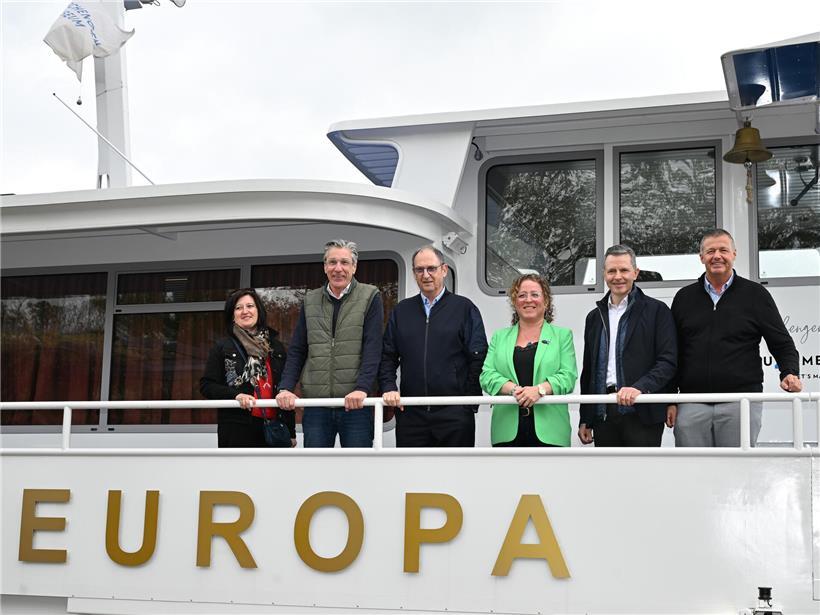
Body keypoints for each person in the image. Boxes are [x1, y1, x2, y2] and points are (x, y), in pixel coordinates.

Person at [668, 229, 802, 447]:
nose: (717, 256)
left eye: (723, 250)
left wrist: (789, 372)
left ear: (734, 254)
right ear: (701, 257)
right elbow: (672, 351)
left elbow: (781, 342)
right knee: (692, 473)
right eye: (710, 251)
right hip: (691, 402)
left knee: (737, 473)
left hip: (741, 402)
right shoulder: (684, 298)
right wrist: (671, 398)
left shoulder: (755, 294)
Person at [275, 239, 383, 447]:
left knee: (357, 467)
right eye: (332, 262)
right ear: (325, 267)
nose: (338, 269)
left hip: (356, 404)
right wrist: (285, 387)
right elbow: (298, 349)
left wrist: (362, 388)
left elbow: (373, 347)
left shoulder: (370, 295)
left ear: (354, 266)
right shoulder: (311, 299)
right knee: (316, 469)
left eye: (344, 262)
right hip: (317, 404)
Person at [379, 246, 488, 447]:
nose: (426, 275)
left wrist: (468, 402)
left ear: (444, 270)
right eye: (419, 270)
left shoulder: (464, 308)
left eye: (431, 268)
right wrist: (388, 387)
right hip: (411, 415)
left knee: (455, 476)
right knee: (413, 477)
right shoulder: (402, 311)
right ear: (413, 273)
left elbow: (478, 356)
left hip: (455, 415)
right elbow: (388, 356)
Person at [578, 244, 677, 447]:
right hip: (603, 412)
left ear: (635, 272)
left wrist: (639, 389)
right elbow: (588, 371)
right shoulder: (594, 317)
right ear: (604, 274)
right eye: (612, 271)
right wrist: (586, 417)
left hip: (643, 410)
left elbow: (667, 361)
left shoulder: (657, 311)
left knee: (642, 477)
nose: (618, 276)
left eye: (624, 270)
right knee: (608, 477)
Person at [480, 274, 577, 447]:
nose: (528, 300)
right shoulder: (499, 337)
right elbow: (486, 376)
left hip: (551, 432)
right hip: (506, 432)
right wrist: (514, 390)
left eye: (535, 294)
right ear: (515, 302)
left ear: (546, 301)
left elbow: (568, 376)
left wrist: (539, 390)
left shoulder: (563, 336)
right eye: (522, 295)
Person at [200, 288, 294, 448]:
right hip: (238, 428)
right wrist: (236, 396)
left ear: (258, 310)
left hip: (274, 427)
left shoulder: (276, 347)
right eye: (238, 308)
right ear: (232, 315)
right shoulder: (223, 347)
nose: (245, 311)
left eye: (250, 306)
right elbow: (207, 386)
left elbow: (284, 389)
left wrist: (290, 431)